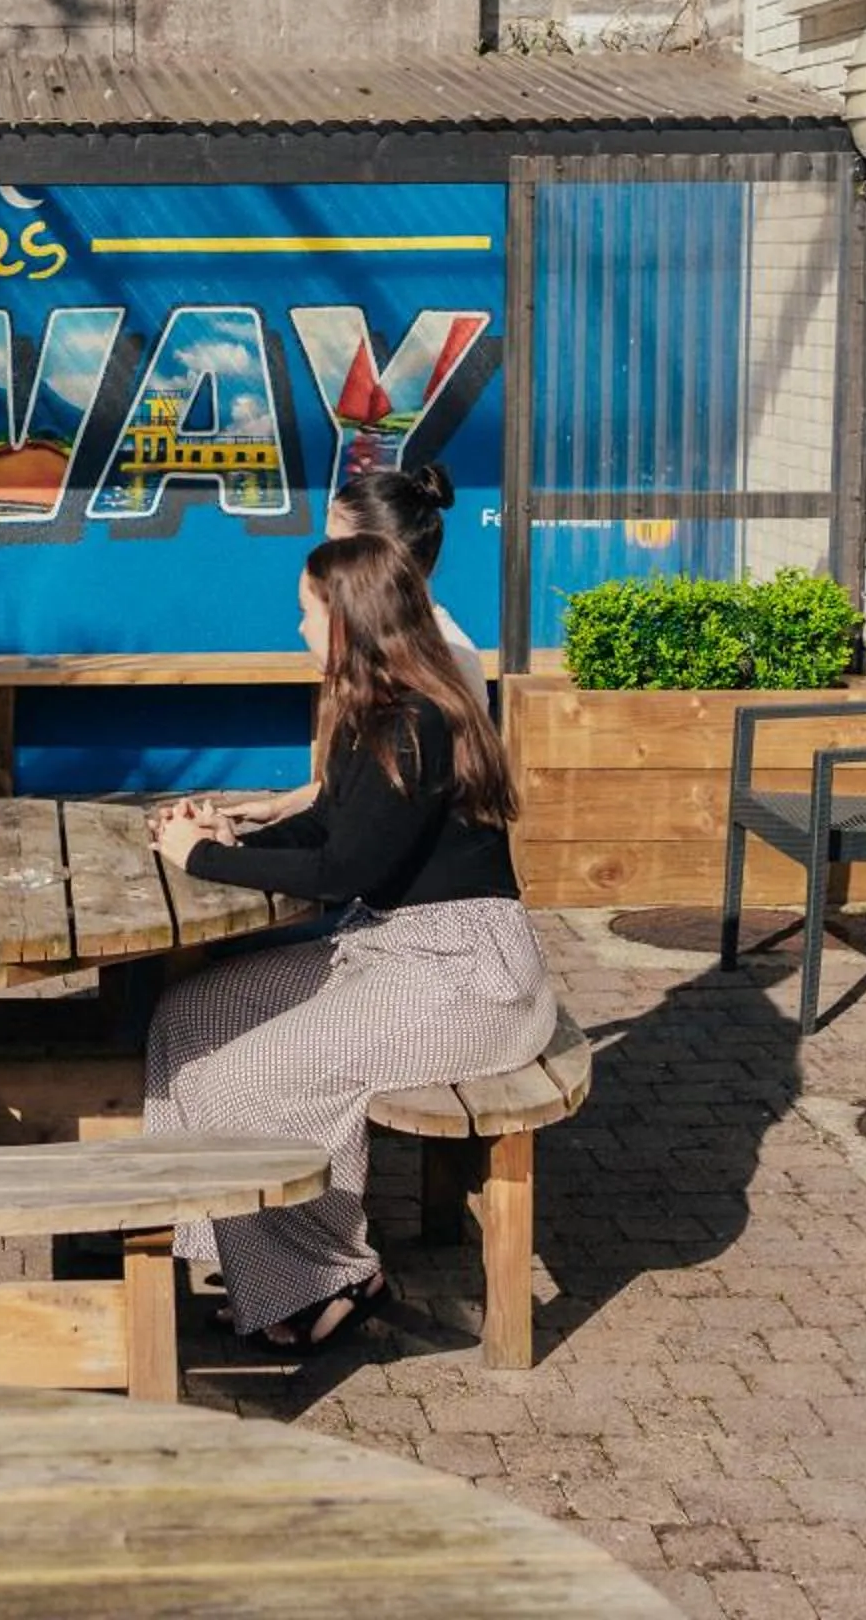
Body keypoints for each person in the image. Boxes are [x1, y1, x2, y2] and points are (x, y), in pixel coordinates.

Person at [143, 533, 557, 1351]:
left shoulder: (418, 722)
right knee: (187, 1017)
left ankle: (336, 1276)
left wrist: (204, 859)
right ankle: (255, 1263)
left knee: (245, 1076)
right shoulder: (372, 709)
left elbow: (345, 870)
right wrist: (231, 834)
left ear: (347, 620)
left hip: (468, 975)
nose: (297, 627)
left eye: (306, 612)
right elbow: (335, 826)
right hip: (391, 949)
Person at [216, 464, 489, 832]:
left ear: (377, 556)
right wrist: (280, 808)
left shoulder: (439, 657)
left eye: (336, 545)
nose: (325, 558)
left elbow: (400, 805)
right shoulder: (379, 642)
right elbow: (370, 786)